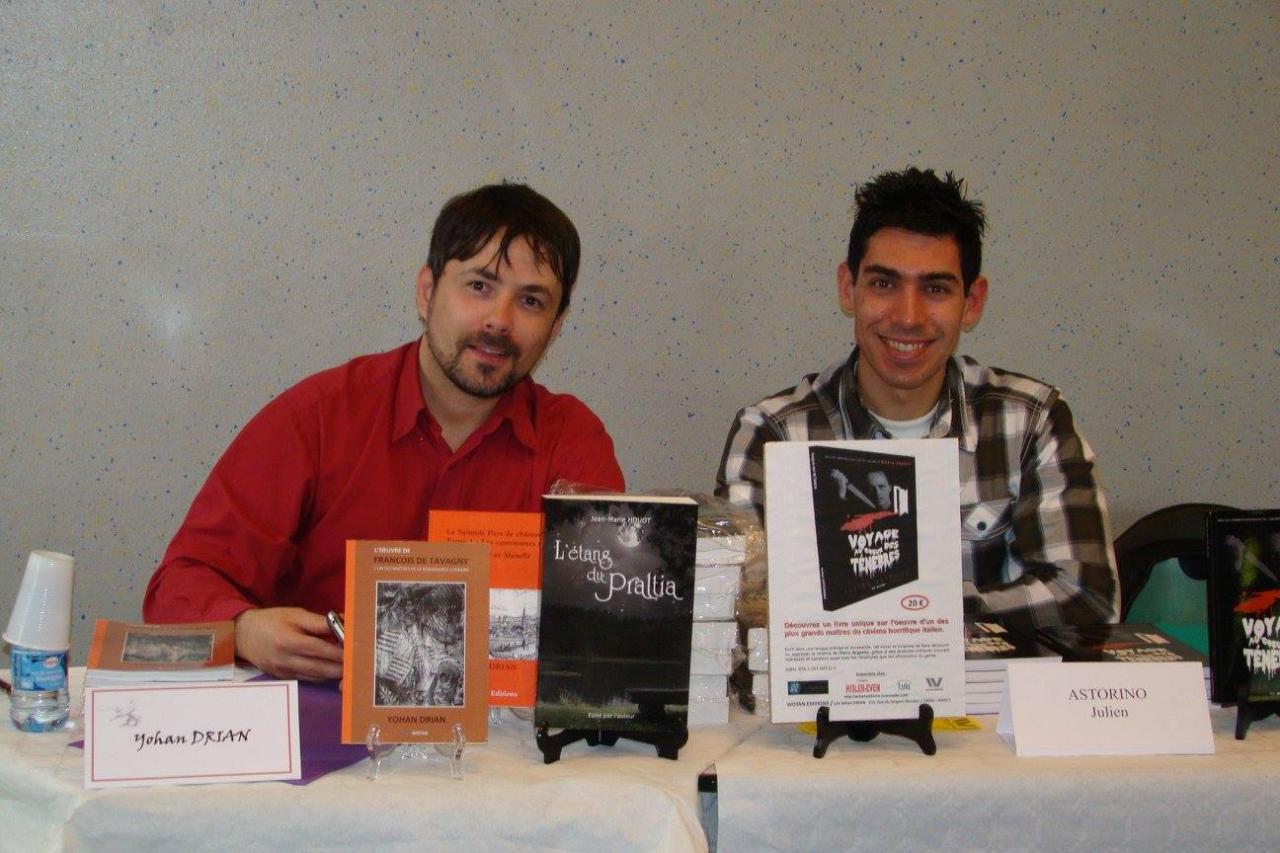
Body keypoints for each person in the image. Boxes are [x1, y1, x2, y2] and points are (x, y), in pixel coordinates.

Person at [145, 183, 625, 679]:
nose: (499, 321)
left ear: (555, 325)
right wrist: (244, 631)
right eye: (480, 286)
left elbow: (609, 619)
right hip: (320, 709)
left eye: (530, 301)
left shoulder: (572, 442)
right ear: (427, 292)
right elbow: (178, 586)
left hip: (503, 724)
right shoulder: (318, 418)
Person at [716, 167, 1118, 632]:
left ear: (972, 302)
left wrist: (915, 618)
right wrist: (920, 615)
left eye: (935, 289)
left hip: (993, 684)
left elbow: (1085, 597)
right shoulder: (771, 434)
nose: (908, 317)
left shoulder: (1031, 421)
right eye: (884, 284)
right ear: (849, 289)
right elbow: (742, 612)